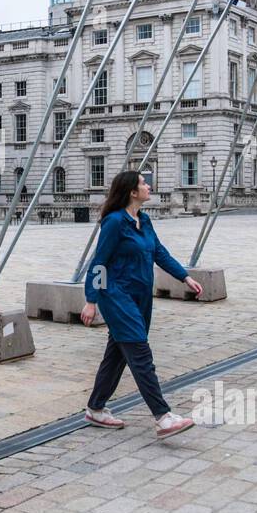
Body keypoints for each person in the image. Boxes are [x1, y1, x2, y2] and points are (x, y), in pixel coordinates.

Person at [79, 170, 202, 440]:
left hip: (140, 297)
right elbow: (98, 263)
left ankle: (96, 408)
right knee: (140, 353)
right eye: (143, 183)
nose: (148, 186)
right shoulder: (114, 222)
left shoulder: (144, 220)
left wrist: (185, 276)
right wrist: (91, 300)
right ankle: (163, 416)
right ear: (132, 192)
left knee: (118, 354)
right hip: (116, 296)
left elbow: (159, 252)